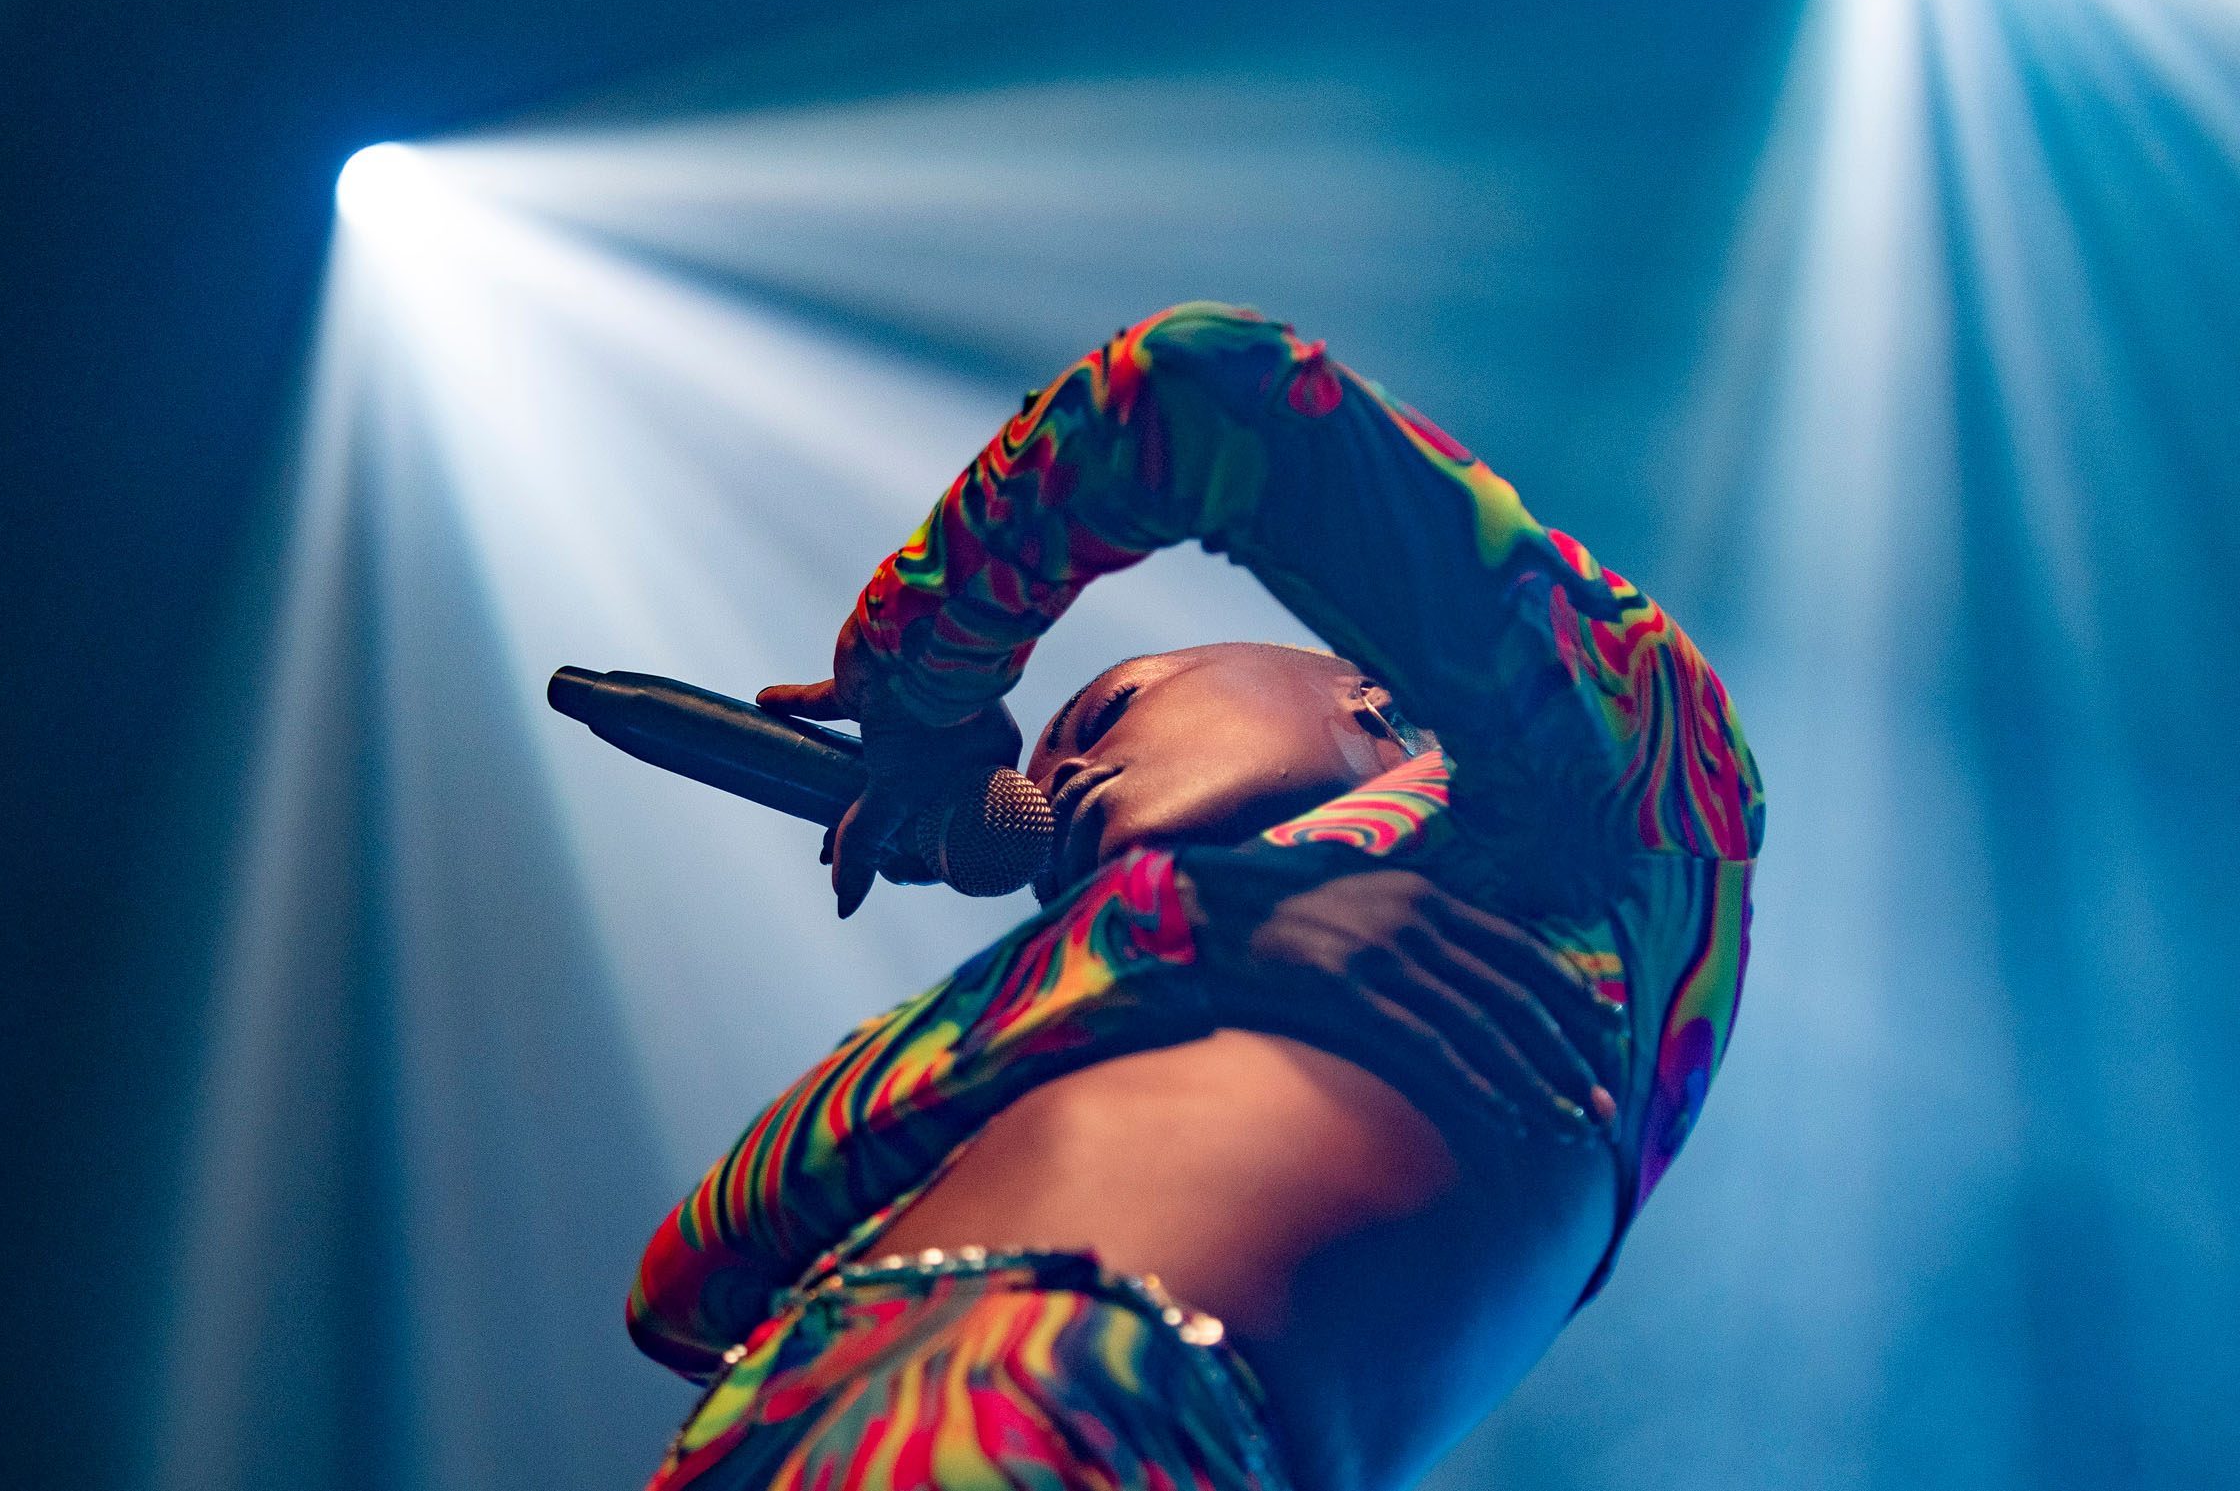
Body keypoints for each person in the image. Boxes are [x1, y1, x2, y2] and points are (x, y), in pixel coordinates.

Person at [624, 302, 1765, 1491]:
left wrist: (923, 674)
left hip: (1068, 1424)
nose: (1052, 776)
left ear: (1373, 699)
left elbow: (1195, 385)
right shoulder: (1139, 964)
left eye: (1104, 712)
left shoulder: (1624, 813)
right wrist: (1169, 933)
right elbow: (683, 1290)